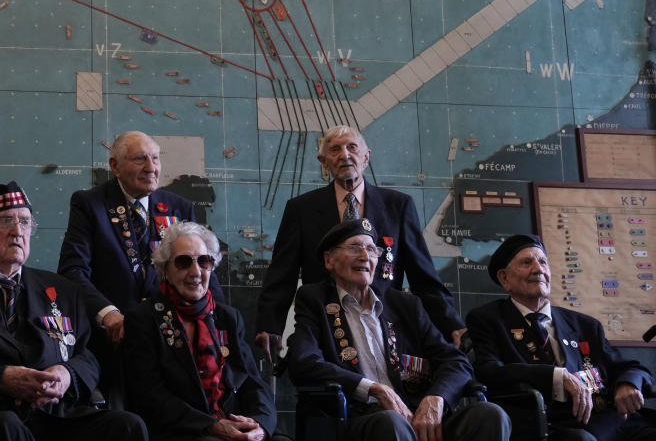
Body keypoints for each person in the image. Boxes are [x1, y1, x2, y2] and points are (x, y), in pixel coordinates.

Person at [0, 181, 149, 441]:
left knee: (127, 425)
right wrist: (0, 378)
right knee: (5, 427)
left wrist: (67, 374)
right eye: (5, 221)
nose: (17, 231)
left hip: (56, 413)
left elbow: (87, 355)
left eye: (25, 222)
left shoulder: (63, 289)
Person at [287, 218, 510, 441]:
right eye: (354, 248)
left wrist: (437, 397)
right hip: (359, 418)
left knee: (490, 415)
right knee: (391, 423)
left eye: (372, 250)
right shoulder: (314, 300)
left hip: (420, 416)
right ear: (329, 260)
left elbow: (456, 362)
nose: (365, 257)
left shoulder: (404, 305)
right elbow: (304, 362)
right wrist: (374, 388)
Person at [255, 125, 464, 361]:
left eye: (352, 147)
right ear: (323, 161)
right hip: (324, 327)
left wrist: (450, 323)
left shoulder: (398, 206)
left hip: (386, 326)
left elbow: (423, 274)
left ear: (366, 157)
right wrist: (270, 325)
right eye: (335, 150)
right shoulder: (301, 209)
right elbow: (282, 274)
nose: (344, 155)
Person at [58, 131, 223, 402]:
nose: (151, 167)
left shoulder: (179, 207)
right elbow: (72, 272)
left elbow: (205, 270)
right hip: (114, 342)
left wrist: (218, 321)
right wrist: (108, 314)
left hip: (172, 343)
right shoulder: (90, 205)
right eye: (139, 159)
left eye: (155, 158)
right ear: (115, 166)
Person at [466, 234, 656, 441]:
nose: (538, 269)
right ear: (505, 279)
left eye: (543, 262)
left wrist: (628, 384)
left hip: (615, 420)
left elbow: (630, 367)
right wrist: (556, 376)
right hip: (556, 426)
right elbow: (489, 370)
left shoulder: (584, 325)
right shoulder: (489, 320)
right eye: (526, 262)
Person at [123, 222, 280, 441]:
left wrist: (260, 425)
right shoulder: (144, 319)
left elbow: (252, 382)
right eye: (184, 262)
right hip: (184, 429)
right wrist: (212, 426)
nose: (195, 271)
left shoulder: (228, 318)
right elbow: (149, 395)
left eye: (204, 262)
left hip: (235, 424)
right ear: (165, 269)